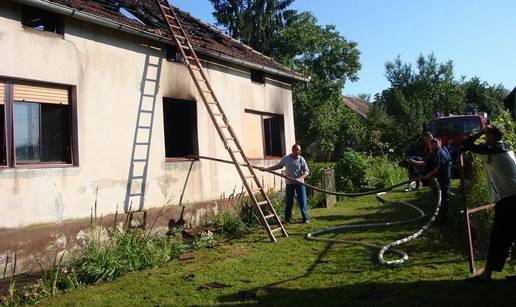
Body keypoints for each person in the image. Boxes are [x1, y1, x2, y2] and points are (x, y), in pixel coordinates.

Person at [463, 126, 516, 282]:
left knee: (499, 236)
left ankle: (486, 275)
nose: (485, 138)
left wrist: (480, 132)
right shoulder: (505, 147)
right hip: (512, 196)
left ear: (491, 135)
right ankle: (488, 273)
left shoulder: (493, 150)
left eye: (487, 135)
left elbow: (467, 144)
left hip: (509, 198)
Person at [409, 136, 452, 224]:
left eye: (431, 144)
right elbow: (426, 162)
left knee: (443, 199)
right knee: (438, 198)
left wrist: (429, 175)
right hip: (438, 180)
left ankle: (444, 220)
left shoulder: (440, 152)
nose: (430, 146)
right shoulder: (434, 152)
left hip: (443, 180)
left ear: (436, 144)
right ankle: (439, 217)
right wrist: (413, 162)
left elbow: (439, 167)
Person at [266, 144, 310, 224]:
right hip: (289, 184)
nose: (299, 152)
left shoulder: (301, 159)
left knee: (302, 201)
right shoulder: (286, 159)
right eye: (297, 150)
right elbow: (278, 166)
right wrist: (268, 169)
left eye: (299, 150)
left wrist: (300, 178)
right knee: (289, 201)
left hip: (300, 183)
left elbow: (306, 171)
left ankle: (305, 218)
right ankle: (288, 219)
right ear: (293, 150)